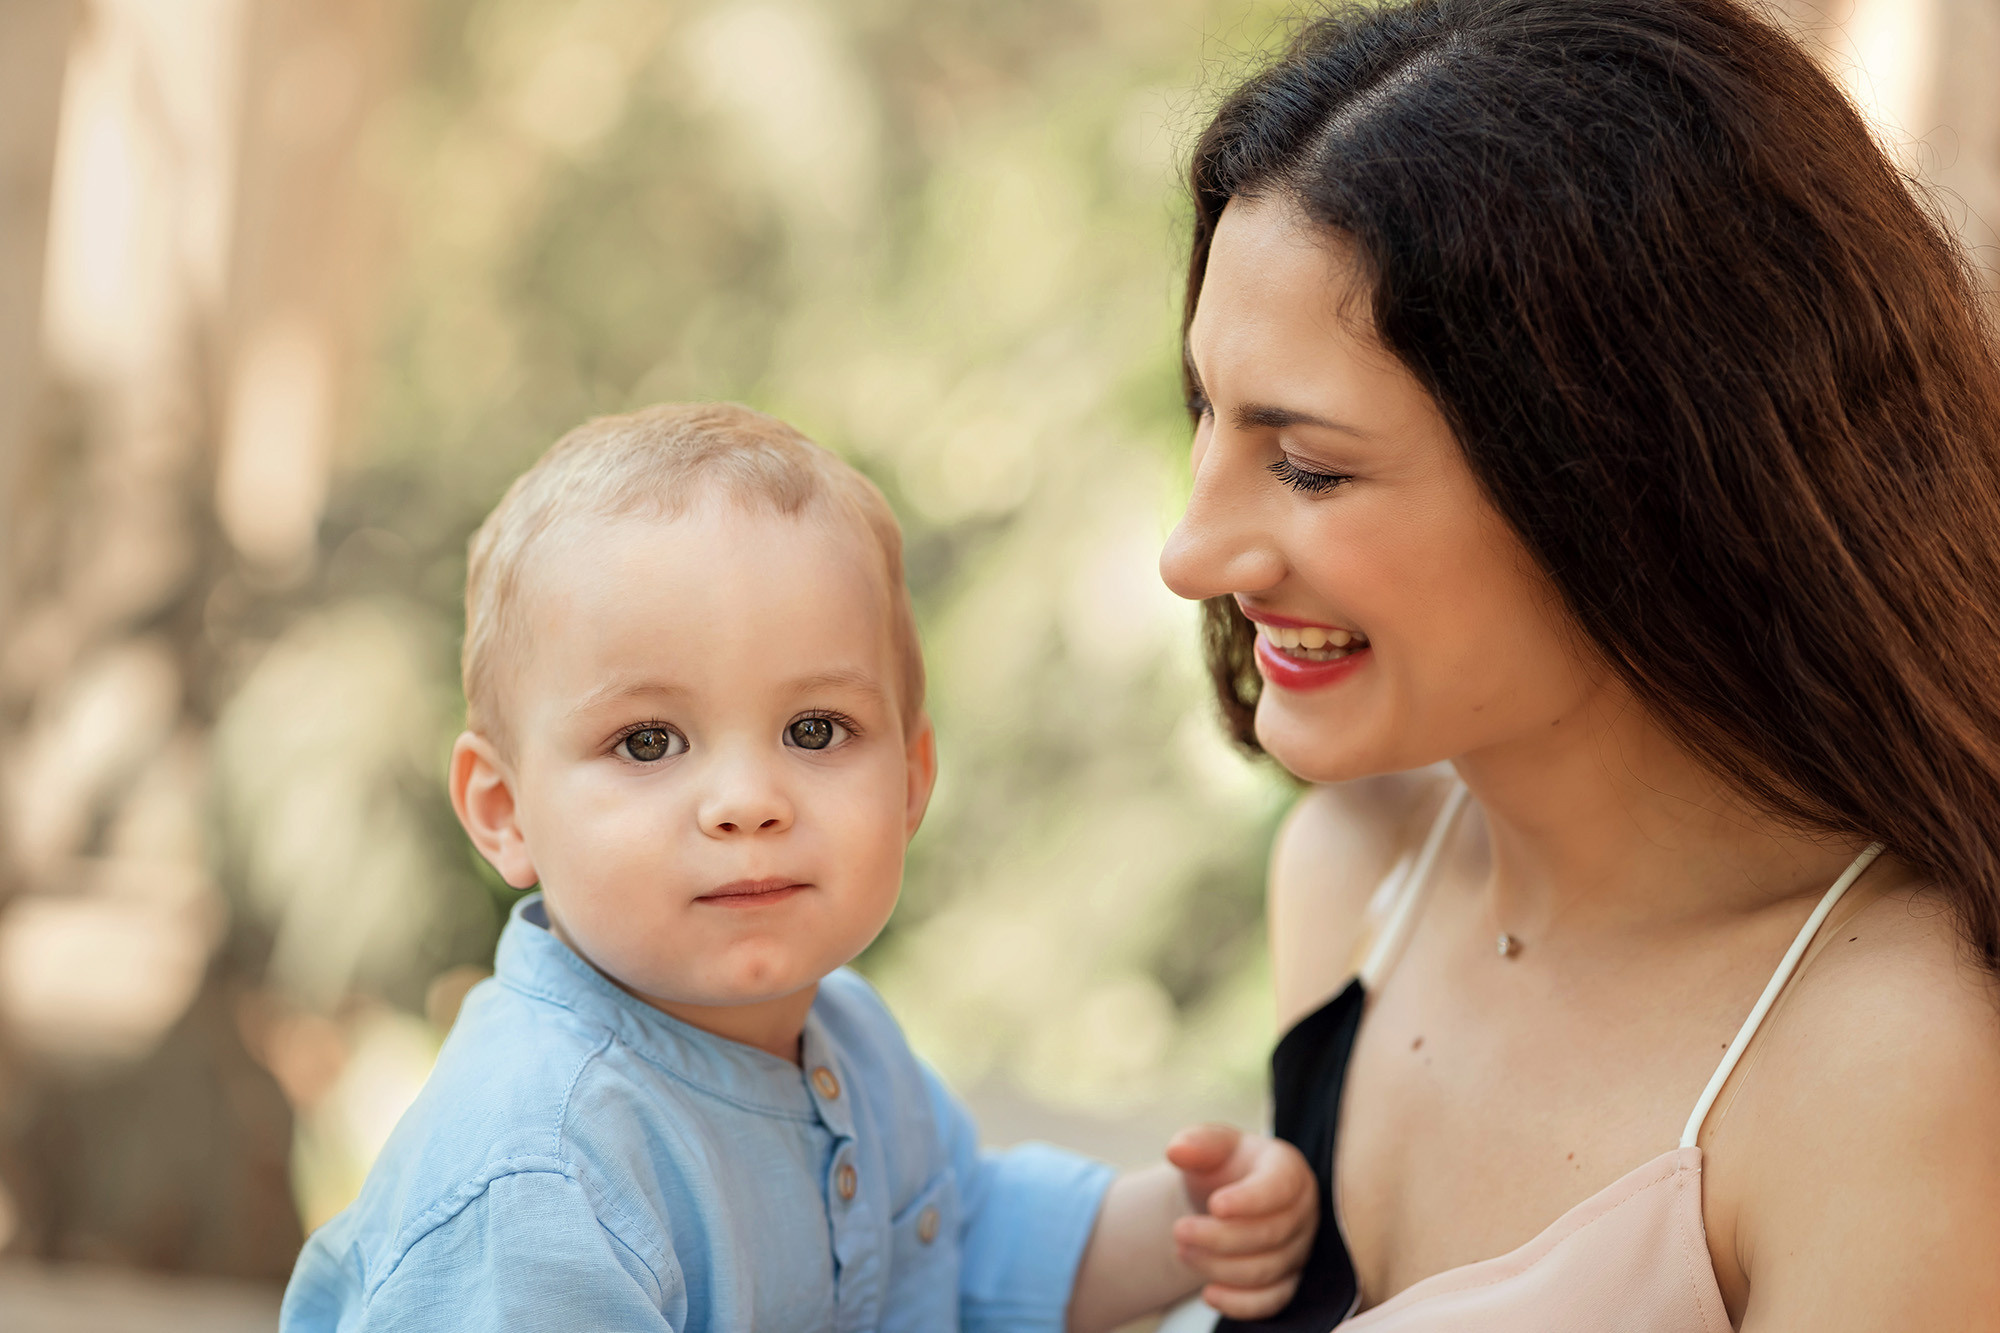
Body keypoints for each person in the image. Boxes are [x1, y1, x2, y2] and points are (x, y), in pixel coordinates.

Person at [1158, 0, 2000, 1328]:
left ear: (1622, 477)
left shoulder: (1900, 1066)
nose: (1190, 552)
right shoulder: (1354, 870)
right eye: (1207, 411)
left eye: (1310, 463)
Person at [279, 403, 1315, 1332]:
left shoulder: (845, 1041)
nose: (748, 801)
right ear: (504, 813)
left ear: (911, 779)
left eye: (814, 728)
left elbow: (960, 1241)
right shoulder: (540, 1174)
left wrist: (1186, 1226)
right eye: (647, 742)